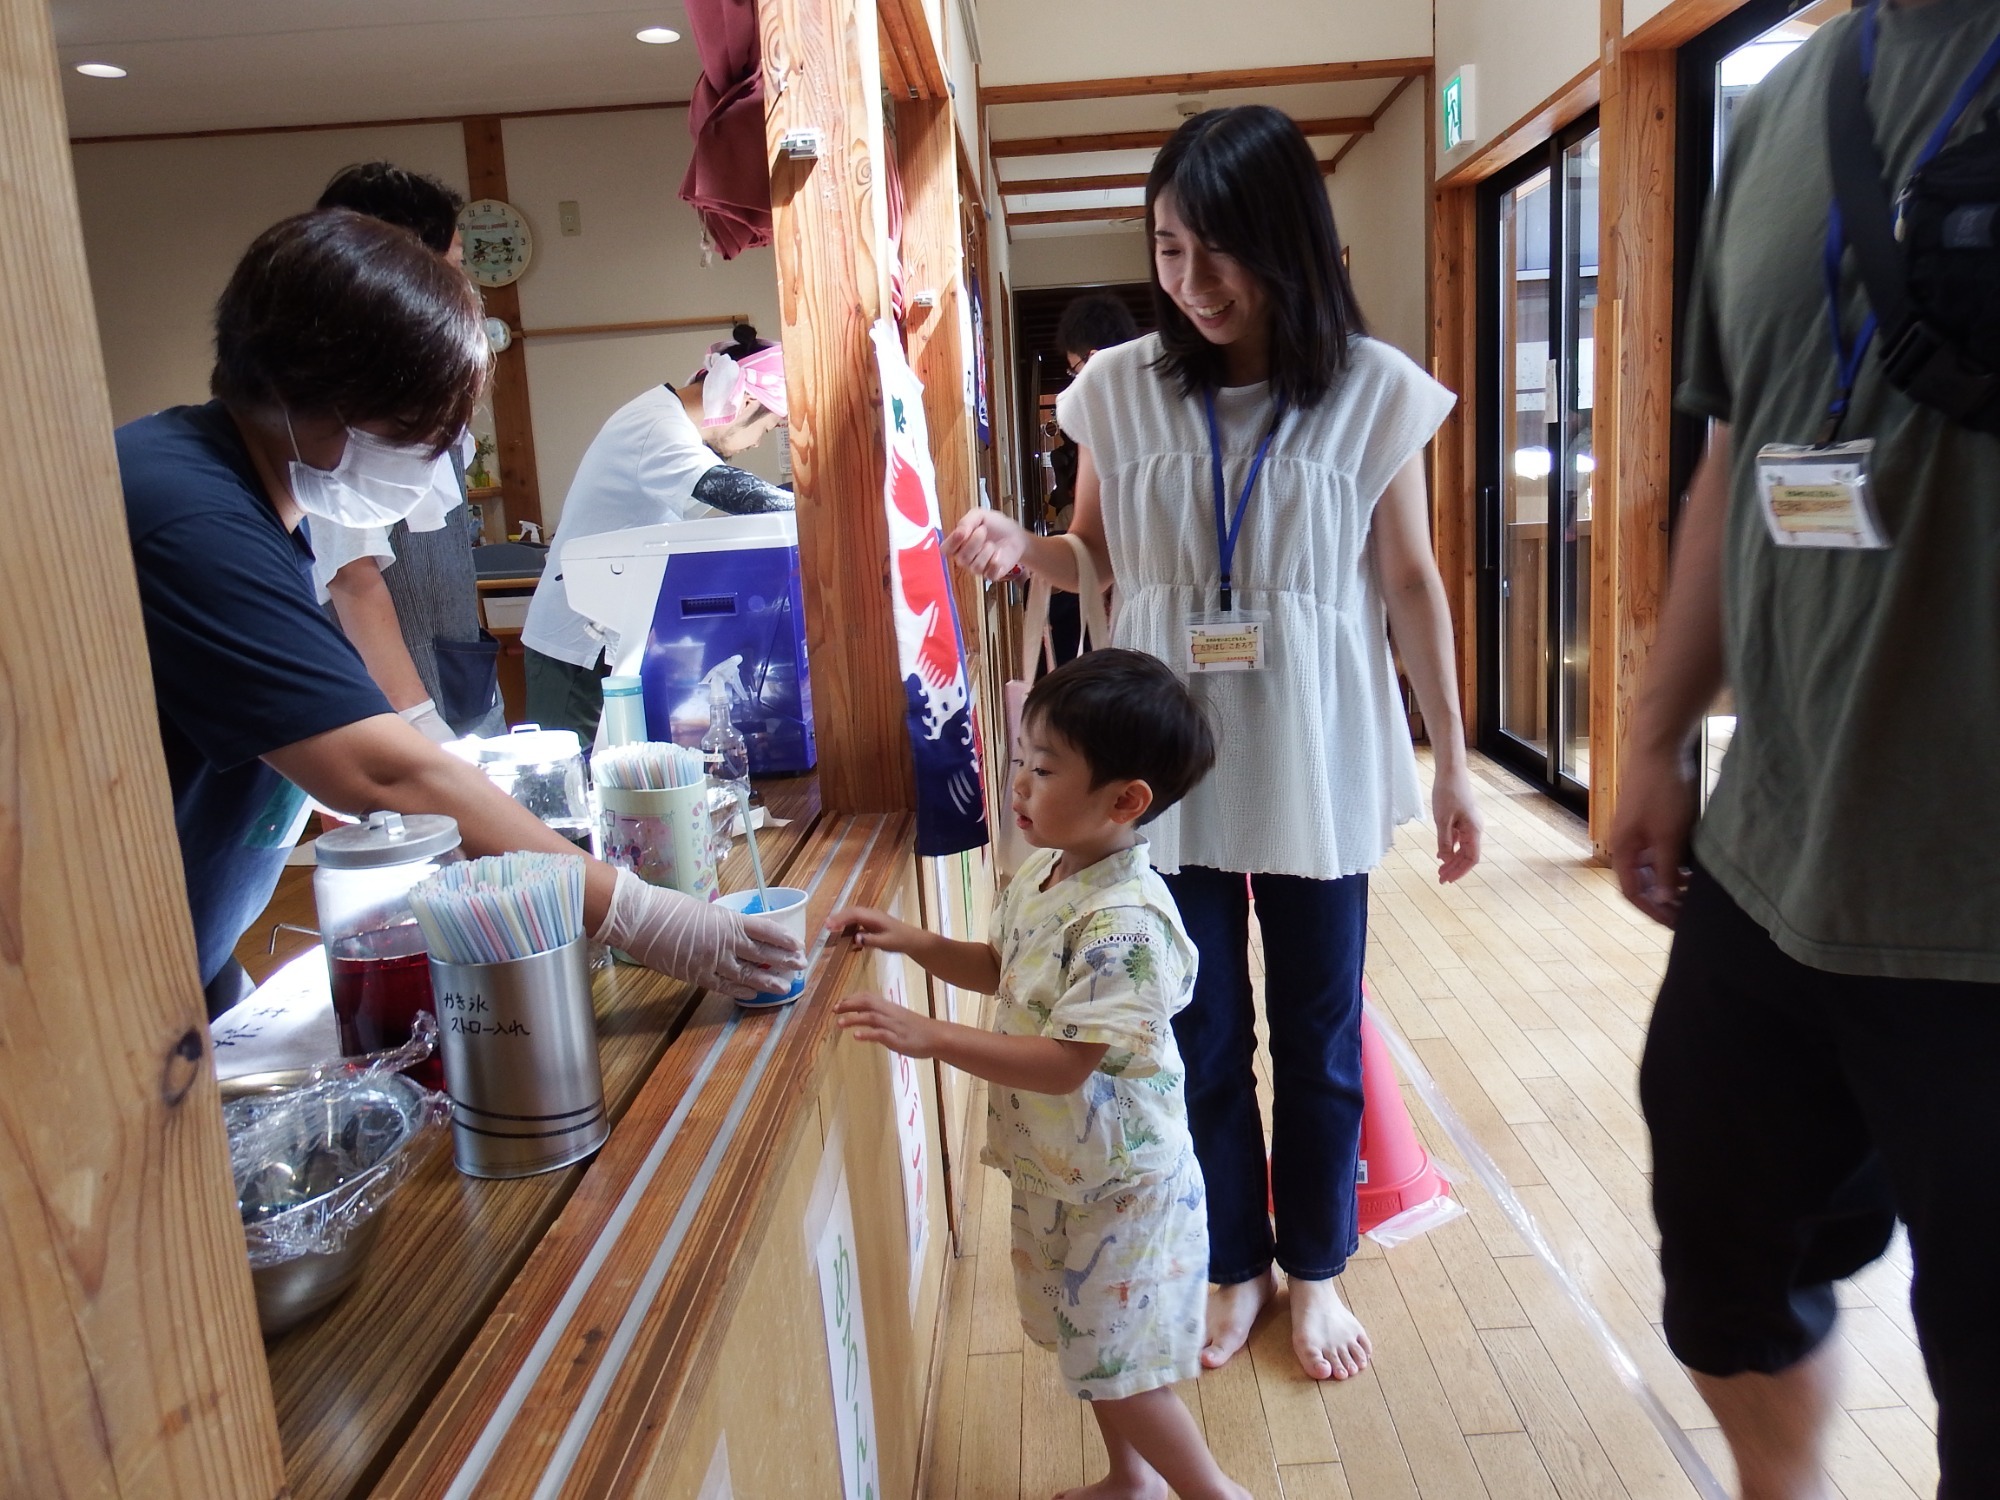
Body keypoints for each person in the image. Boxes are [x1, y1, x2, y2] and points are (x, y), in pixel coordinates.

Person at [946, 105, 1483, 1384]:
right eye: (1171, 252)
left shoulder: (1370, 389)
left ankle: (1317, 1273)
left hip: (1314, 750)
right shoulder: (1116, 390)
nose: (1192, 285)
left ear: (1287, 244)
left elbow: (1408, 580)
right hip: (1160, 765)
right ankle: (1232, 1263)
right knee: (1189, 1035)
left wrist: (1452, 758)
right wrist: (1030, 550)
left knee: (1316, 1031)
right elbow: (1098, 558)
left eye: (1220, 254)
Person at [1610, 2, 2000, 1495]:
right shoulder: (1789, 103)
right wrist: (1655, 729)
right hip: (1772, 868)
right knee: (1726, 1279)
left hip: (1984, 918)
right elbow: (1741, 447)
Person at [116, 208, 798, 1017]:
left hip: (185, 961)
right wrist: (638, 914)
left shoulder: (250, 504)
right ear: (320, 396)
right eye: (421, 428)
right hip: (106, 988)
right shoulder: (190, 516)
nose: (438, 454)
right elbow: (375, 769)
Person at [829, 649, 1248, 1500]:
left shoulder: (1125, 924)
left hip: (1122, 1186)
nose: (1018, 784)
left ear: (1125, 801)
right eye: (1019, 760)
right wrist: (916, 942)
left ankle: (1214, 1493)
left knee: (1121, 1366)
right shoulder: (1047, 874)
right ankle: (1133, 1482)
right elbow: (1005, 968)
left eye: (1044, 769)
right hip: (1063, 1168)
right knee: (1089, 1344)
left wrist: (929, 1036)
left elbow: (1065, 1064)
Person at [521, 325, 791, 742]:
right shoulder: (659, 426)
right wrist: (816, 509)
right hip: (576, 643)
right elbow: (732, 491)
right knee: (575, 780)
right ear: (748, 400)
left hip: (608, 630)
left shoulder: (671, 423)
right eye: (768, 427)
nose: (757, 443)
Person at [310, 161, 503, 742]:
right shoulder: (339, 406)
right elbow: (351, 576)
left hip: (459, 681)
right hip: (396, 713)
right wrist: (419, 727)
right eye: (456, 263)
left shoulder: (411, 393)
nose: (465, 286)